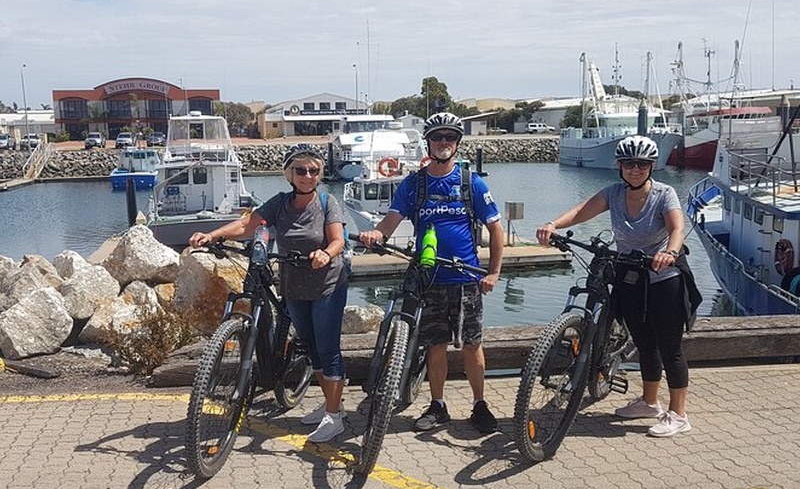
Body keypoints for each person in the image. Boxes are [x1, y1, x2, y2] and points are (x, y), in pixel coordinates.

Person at [536, 135, 699, 438]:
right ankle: (650, 403)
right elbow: (582, 210)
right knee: (645, 343)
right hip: (629, 277)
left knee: (670, 347)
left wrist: (670, 252)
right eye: (628, 163)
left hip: (664, 279)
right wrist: (553, 225)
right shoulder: (613, 194)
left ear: (651, 166)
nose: (634, 169)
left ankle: (679, 414)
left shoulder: (664, 194)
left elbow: (677, 227)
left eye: (641, 164)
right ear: (620, 167)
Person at [189, 144, 349, 443]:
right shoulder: (280, 203)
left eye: (314, 171)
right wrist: (212, 235)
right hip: (293, 285)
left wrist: (326, 254)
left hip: (327, 283)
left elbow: (338, 239)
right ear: (290, 174)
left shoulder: (328, 203)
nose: (307, 176)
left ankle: (335, 417)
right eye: (300, 170)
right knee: (311, 345)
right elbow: (246, 224)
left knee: (327, 348)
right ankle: (332, 404)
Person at [358, 112, 505, 435]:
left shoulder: (471, 183)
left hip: (466, 279)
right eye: (437, 137)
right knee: (435, 346)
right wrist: (376, 235)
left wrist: (493, 272)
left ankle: (479, 404)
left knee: (471, 344)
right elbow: (390, 221)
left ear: (457, 143)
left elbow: (496, 229)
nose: (443, 143)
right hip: (430, 279)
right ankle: (438, 405)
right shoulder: (414, 184)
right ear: (428, 142)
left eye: (450, 137)